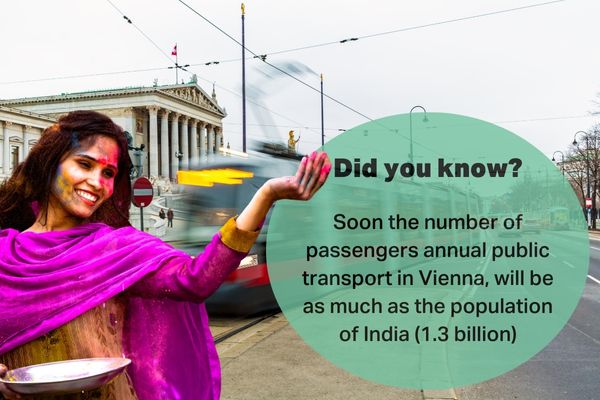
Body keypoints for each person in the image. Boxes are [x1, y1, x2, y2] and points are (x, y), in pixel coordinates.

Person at [0, 110, 331, 400]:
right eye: (84, 164)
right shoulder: (4, 252)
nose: (96, 182)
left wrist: (266, 195)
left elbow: (196, 280)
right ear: (50, 164)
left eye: (108, 174)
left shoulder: (118, 249)